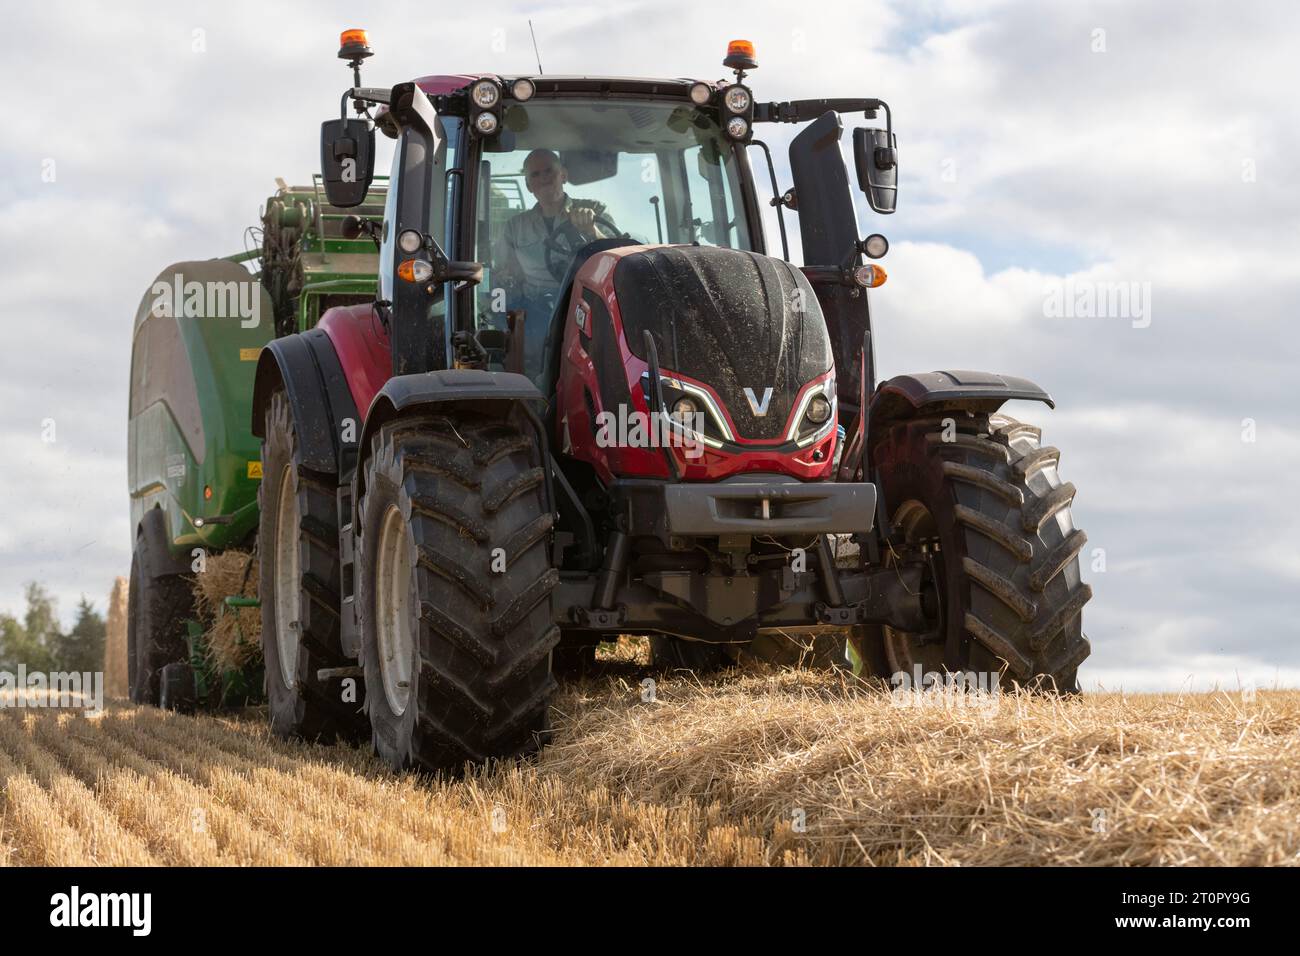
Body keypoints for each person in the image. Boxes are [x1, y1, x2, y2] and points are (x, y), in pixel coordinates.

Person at [493, 149, 619, 380]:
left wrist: (591, 230)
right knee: (537, 369)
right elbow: (505, 274)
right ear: (528, 185)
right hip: (538, 310)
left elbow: (615, 255)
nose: (543, 178)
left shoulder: (594, 210)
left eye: (549, 171)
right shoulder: (515, 227)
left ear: (564, 175)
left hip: (586, 303)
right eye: (535, 174)